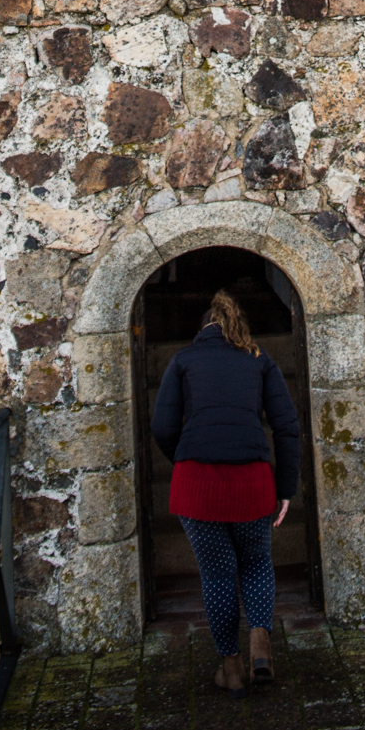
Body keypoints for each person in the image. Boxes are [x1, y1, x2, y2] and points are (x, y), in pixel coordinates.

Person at [151, 288, 301, 697]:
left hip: (196, 484)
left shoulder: (182, 360)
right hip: (252, 482)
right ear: (237, 327)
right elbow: (287, 426)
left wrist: (184, 457)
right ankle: (260, 647)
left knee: (217, 574)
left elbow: (163, 428)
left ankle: (231, 669)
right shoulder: (259, 360)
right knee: (256, 563)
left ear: (202, 329)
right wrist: (286, 487)